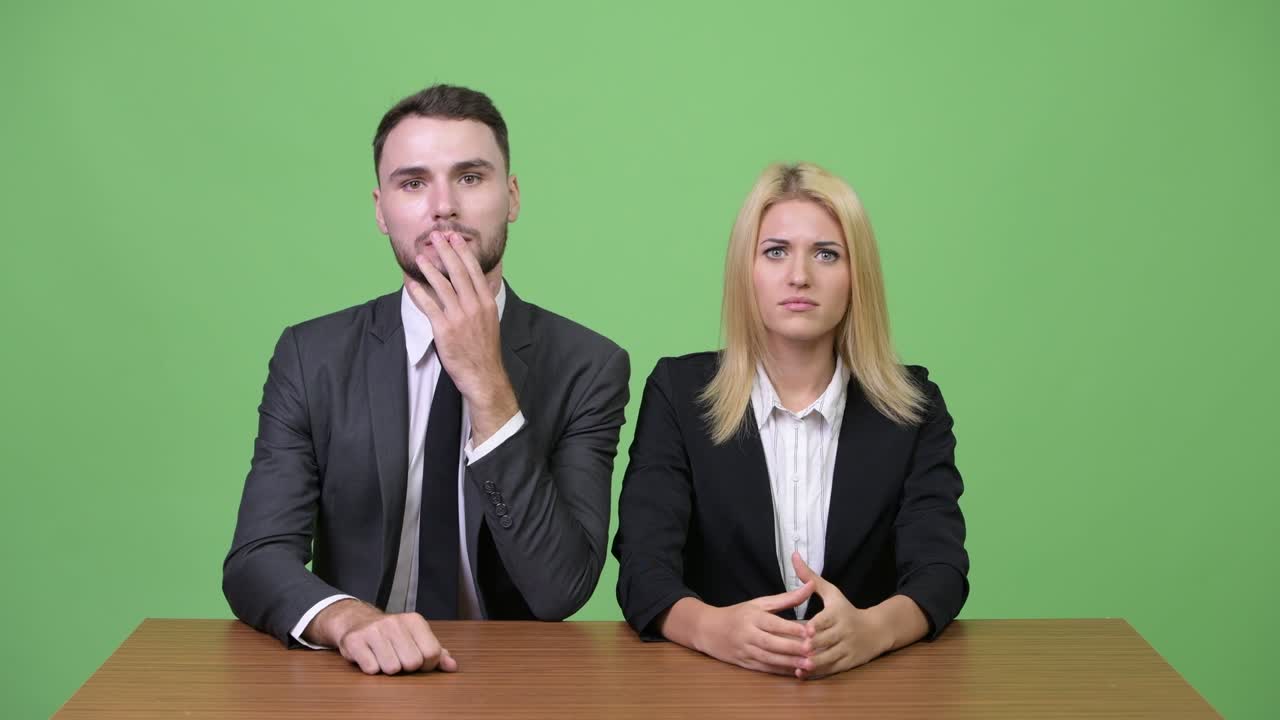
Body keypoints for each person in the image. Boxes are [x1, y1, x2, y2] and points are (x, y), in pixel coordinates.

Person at [224, 84, 630, 675]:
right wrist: (350, 620)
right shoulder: (312, 357)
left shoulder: (588, 366)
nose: (443, 206)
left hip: (509, 679)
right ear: (380, 210)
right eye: (413, 183)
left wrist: (488, 385)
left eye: (470, 177)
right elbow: (257, 558)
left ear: (512, 196)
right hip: (355, 673)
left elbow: (560, 588)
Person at [613, 162, 968, 679]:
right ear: (746, 270)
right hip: (712, 688)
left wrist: (873, 631)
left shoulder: (915, 407)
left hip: (867, 689)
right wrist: (712, 629)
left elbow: (940, 570)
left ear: (858, 276)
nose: (799, 276)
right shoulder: (678, 394)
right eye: (775, 251)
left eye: (827, 254)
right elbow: (643, 567)